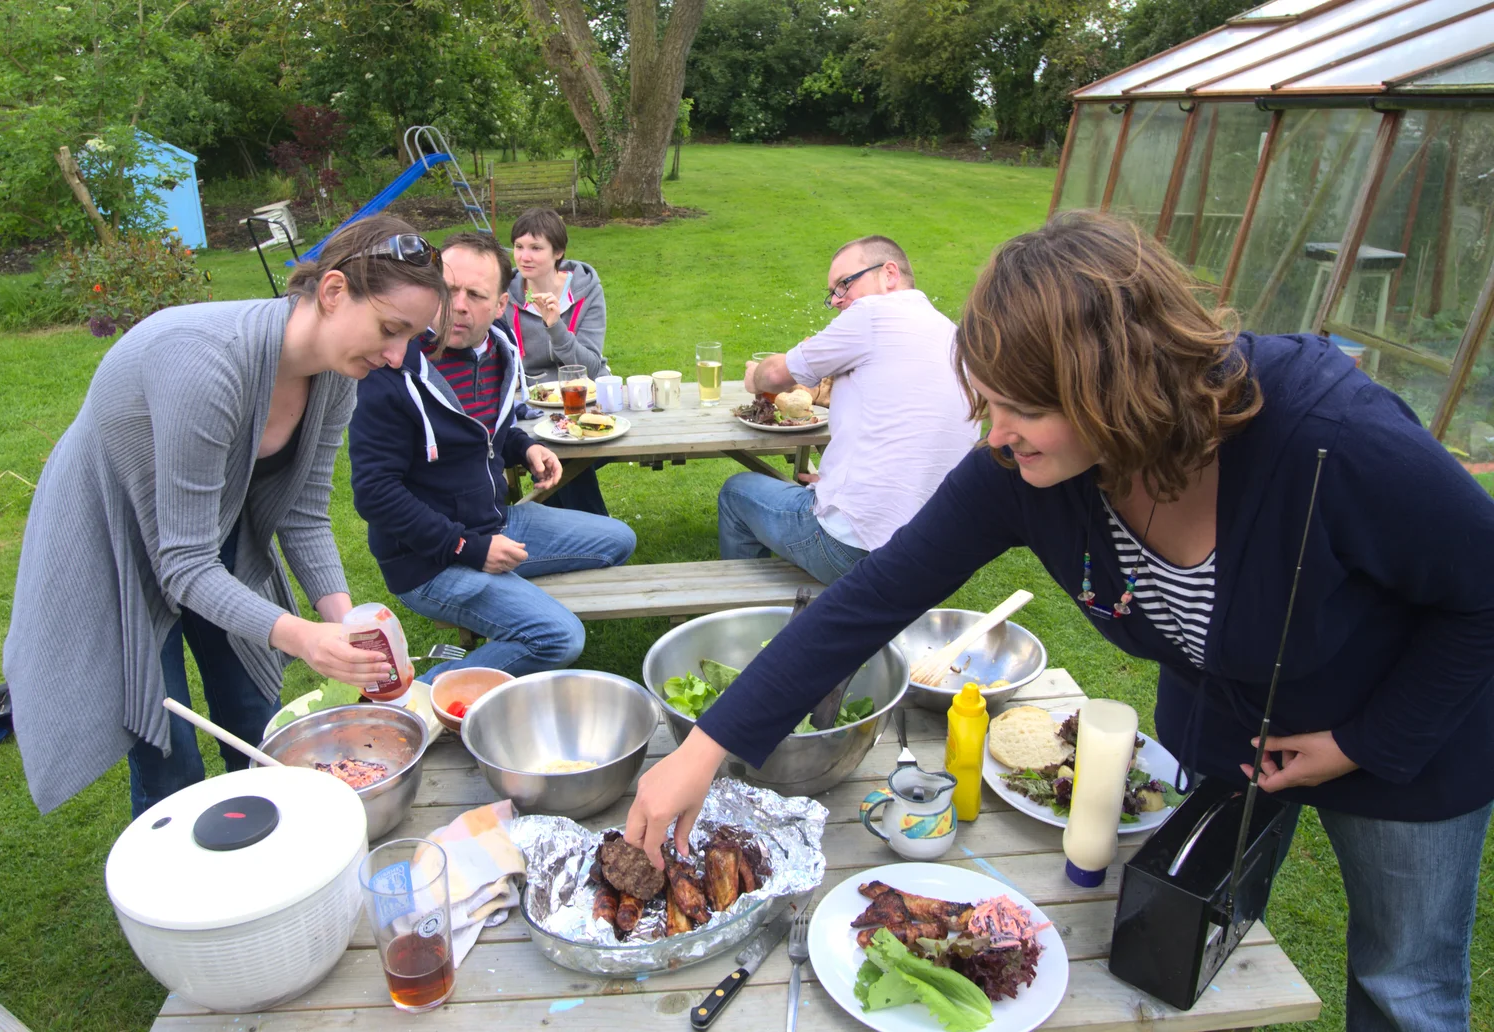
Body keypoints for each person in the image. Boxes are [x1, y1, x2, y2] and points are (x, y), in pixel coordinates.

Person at [628, 212, 1494, 1032]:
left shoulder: (1330, 441)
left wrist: (1361, 743)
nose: (998, 438)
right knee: (1195, 936)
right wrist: (706, 747)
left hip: (1406, 725)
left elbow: (1481, 595)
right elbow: (871, 598)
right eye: (988, 404)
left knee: (1401, 981)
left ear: (1122, 387)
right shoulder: (1025, 466)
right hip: (1234, 723)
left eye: (1024, 409)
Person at [3, 215, 447, 818]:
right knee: (169, 746)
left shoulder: (340, 375)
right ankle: (176, 891)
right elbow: (182, 563)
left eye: (411, 339)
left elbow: (305, 514)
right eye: (390, 330)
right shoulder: (208, 364)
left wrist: (346, 625)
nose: (397, 357)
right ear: (334, 291)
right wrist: (302, 637)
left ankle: (268, 854)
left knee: (251, 715)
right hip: (116, 535)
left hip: (214, 518)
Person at [350, 231, 636, 678]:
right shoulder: (390, 367)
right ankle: (411, 705)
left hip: (495, 520)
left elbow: (487, 431)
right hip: (427, 559)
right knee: (559, 637)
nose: (457, 305)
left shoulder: (500, 349)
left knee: (618, 539)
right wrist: (469, 548)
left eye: (475, 295)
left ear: (500, 305)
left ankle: (505, 599)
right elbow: (374, 494)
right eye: (447, 290)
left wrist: (526, 445)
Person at [719, 235, 978, 584]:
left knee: (737, 492)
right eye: (833, 293)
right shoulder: (954, 336)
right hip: (935, 556)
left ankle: (745, 622)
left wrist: (753, 378)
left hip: (859, 551)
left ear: (889, 274)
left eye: (844, 284)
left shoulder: (871, 314)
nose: (838, 300)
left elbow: (778, 375)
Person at [506, 207, 612, 515]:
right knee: (558, 454)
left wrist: (555, 327)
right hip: (529, 406)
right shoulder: (504, 294)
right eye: (519, 246)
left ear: (558, 253)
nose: (524, 256)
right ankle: (595, 532)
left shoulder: (586, 291)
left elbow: (591, 367)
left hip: (585, 402)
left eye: (536, 248)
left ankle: (588, 533)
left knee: (564, 454)